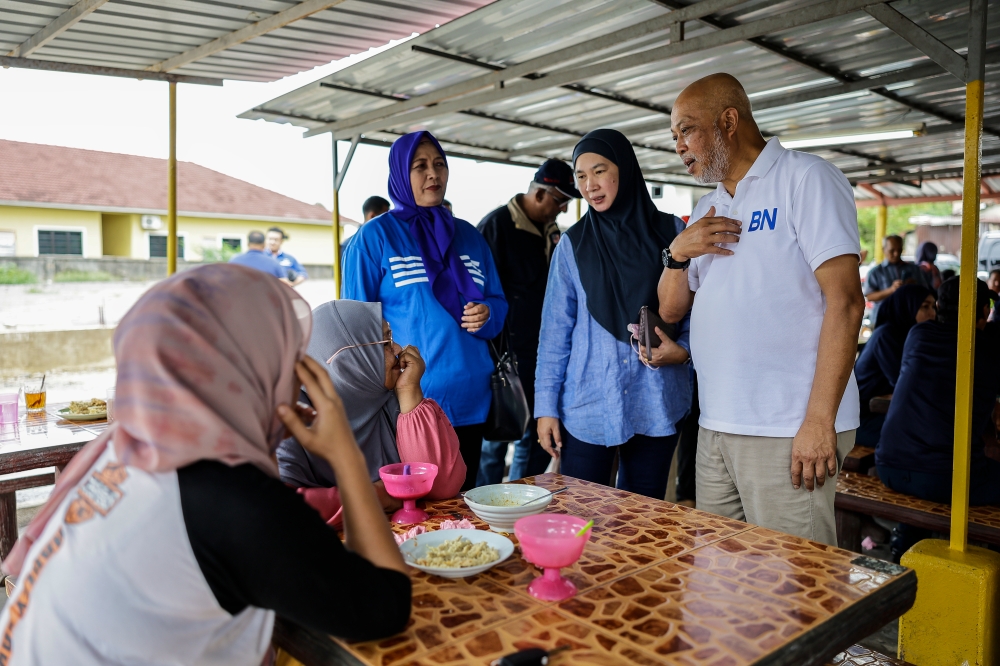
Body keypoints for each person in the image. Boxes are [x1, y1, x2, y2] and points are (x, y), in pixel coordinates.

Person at [0, 264, 410, 664]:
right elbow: (383, 608)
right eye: (287, 358)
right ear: (250, 371)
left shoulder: (129, 449)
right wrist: (346, 458)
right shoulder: (232, 499)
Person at [657, 73, 864, 545]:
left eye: (687, 130)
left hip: (786, 427)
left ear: (728, 121)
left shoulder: (806, 178)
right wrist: (677, 252)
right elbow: (670, 310)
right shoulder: (708, 205)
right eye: (674, 136)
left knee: (794, 587)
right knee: (724, 580)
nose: (679, 146)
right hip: (716, 426)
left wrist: (818, 422)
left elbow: (847, 303)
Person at [342, 131, 508, 491]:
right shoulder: (374, 239)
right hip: (409, 404)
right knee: (415, 512)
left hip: (470, 397)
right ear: (401, 173)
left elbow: (498, 302)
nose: (433, 174)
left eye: (439, 164)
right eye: (420, 167)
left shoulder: (470, 236)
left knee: (462, 507)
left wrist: (489, 313)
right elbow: (355, 328)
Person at [535, 129, 691, 500]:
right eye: (581, 176)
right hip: (588, 404)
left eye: (600, 171)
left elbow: (697, 315)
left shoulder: (673, 233)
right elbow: (555, 333)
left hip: (657, 400)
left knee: (644, 523)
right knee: (584, 516)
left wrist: (683, 350)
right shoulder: (573, 245)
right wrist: (546, 408)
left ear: (625, 169)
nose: (591, 185)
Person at [277, 300, 466, 523]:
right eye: (385, 342)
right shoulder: (288, 412)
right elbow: (278, 507)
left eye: (391, 337)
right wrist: (379, 495)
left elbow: (441, 487)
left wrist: (409, 392)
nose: (398, 349)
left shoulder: (390, 396)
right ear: (346, 361)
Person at [877, 277, 1000, 558]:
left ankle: (903, 547)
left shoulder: (917, 335)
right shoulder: (989, 347)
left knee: (932, 466)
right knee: (950, 471)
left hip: (889, 467)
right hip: (944, 477)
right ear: (983, 311)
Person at [477, 159, 580, 486]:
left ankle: (522, 505)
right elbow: (482, 296)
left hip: (540, 355)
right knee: (496, 442)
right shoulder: (496, 227)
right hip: (503, 356)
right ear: (539, 194)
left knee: (534, 439)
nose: (562, 211)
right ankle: (484, 510)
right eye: (559, 201)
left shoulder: (551, 232)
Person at [854, 285, 935, 446]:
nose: (932, 314)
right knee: (922, 437)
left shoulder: (908, 336)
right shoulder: (887, 335)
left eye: (934, 307)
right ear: (907, 307)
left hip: (882, 414)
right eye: (925, 307)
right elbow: (905, 384)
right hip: (860, 420)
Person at [864, 235, 925, 320]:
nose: (896, 254)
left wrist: (913, 287)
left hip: (908, 318)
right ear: (883, 250)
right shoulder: (875, 272)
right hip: (883, 319)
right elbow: (869, 296)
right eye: (892, 251)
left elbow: (925, 291)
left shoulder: (914, 269)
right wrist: (891, 290)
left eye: (899, 250)